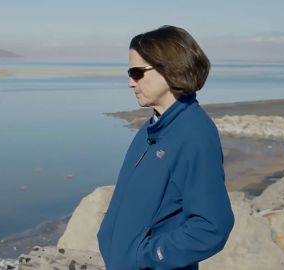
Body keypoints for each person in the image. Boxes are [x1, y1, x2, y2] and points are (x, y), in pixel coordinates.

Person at [97, 25, 234, 270]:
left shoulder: (194, 134)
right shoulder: (151, 130)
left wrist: (148, 255)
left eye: (137, 72)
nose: (131, 82)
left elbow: (213, 226)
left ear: (169, 68)